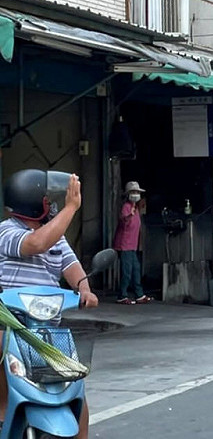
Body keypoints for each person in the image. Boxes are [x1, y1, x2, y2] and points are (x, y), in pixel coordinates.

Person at [0, 170, 99, 439]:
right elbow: (36, 243)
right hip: (10, 324)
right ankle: (2, 416)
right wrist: (71, 208)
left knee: (75, 387)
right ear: (32, 201)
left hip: (47, 330)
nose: (51, 204)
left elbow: (72, 267)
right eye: (47, 199)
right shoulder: (7, 231)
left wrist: (84, 289)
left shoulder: (58, 237)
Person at [113, 181, 153, 305]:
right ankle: (122, 295)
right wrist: (129, 215)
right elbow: (123, 220)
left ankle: (139, 295)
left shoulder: (136, 208)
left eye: (137, 192)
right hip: (124, 245)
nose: (136, 194)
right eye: (133, 192)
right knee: (127, 271)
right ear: (128, 194)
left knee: (136, 270)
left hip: (133, 245)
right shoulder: (126, 207)